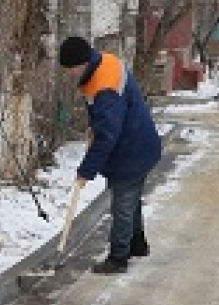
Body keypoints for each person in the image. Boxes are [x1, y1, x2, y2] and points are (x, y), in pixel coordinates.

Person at [57, 36, 162, 274]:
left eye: (71, 69)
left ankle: (118, 258)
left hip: (132, 150)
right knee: (130, 198)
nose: (69, 74)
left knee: (122, 204)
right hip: (138, 142)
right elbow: (109, 118)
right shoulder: (104, 62)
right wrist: (96, 124)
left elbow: (108, 136)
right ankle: (137, 244)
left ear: (82, 62)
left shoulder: (104, 85)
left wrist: (86, 170)